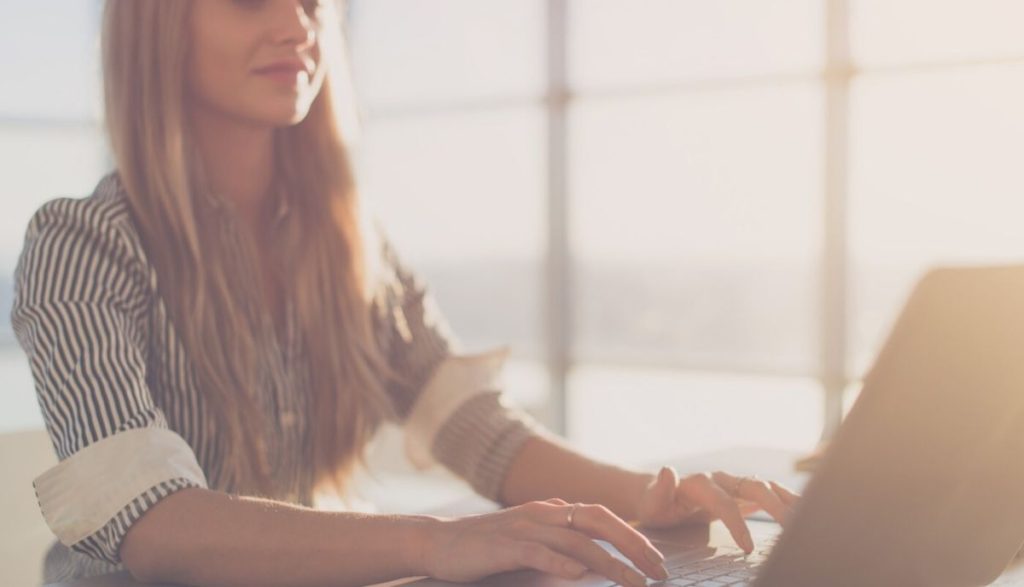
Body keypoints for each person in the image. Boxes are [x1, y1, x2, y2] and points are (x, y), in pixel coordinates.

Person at [10, 1, 799, 586]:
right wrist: (434, 542)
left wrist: (644, 497)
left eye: (313, 3)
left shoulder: (347, 246)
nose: (297, 26)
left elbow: (473, 428)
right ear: (157, 27)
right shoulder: (80, 245)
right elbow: (153, 519)